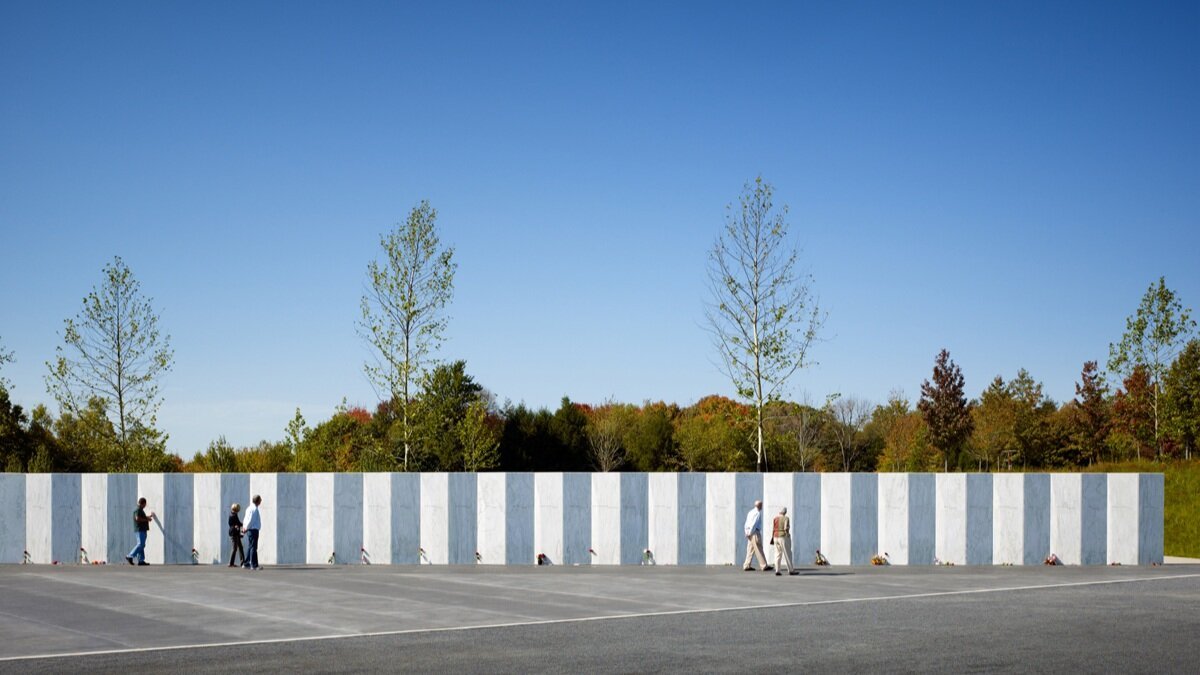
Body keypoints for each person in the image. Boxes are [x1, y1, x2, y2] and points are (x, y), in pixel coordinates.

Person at [742, 500, 772, 572]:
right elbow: (754, 524)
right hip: (754, 532)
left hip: (749, 532)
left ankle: (746, 565)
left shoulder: (750, 512)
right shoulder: (757, 513)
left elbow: (746, 523)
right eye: (761, 505)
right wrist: (750, 532)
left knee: (750, 549)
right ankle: (764, 565)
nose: (762, 506)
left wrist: (746, 532)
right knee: (759, 548)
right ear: (759, 505)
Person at [126, 497, 154, 566]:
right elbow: (137, 518)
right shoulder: (138, 510)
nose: (145, 505)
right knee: (140, 544)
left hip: (142, 530)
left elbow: (142, 517)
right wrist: (147, 520)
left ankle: (141, 560)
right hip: (140, 530)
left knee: (142, 545)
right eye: (145, 504)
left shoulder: (140, 510)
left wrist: (149, 516)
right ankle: (130, 556)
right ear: (143, 503)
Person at [772, 507, 798, 576]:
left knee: (777, 554)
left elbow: (773, 528)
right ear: (785, 512)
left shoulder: (775, 518)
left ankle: (777, 570)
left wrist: (772, 537)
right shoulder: (786, 518)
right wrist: (788, 534)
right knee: (787, 554)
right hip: (783, 536)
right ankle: (791, 570)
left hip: (775, 536)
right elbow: (785, 528)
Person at [241, 494, 262, 570]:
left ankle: (246, 563)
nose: (261, 501)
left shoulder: (249, 508)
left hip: (249, 529)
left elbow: (245, 519)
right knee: (253, 547)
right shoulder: (254, 509)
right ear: (258, 501)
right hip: (253, 530)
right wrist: (246, 528)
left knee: (250, 546)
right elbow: (251, 520)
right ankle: (254, 565)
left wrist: (244, 527)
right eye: (260, 500)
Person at [228, 503, 245, 568]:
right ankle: (231, 563)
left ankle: (242, 562)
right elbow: (237, 523)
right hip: (234, 533)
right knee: (235, 548)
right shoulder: (233, 515)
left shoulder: (233, 514)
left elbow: (234, 524)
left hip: (235, 533)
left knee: (240, 547)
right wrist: (244, 524)